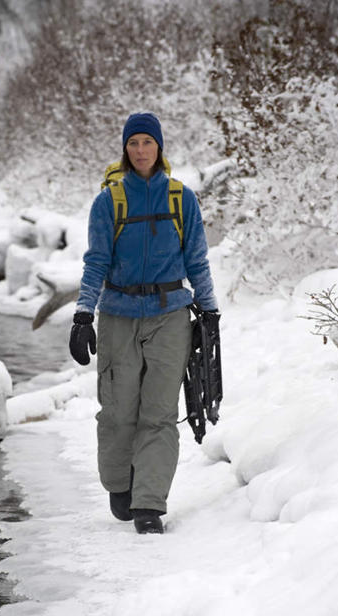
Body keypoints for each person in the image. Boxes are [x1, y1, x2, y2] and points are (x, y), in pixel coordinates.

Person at [69, 111, 219, 534]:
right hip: (118, 316)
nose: (140, 151)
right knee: (117, 411)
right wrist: (83, 314)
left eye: (147, 143)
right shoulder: (109, 201)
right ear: (125, 148)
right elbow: (96, 262)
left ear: (159, 147)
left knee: (158, 413)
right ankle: (121, 484)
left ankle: (150, 504)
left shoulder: (180, 198)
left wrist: (209, 310)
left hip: (170, 316)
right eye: (133, 143)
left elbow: (197, 260)